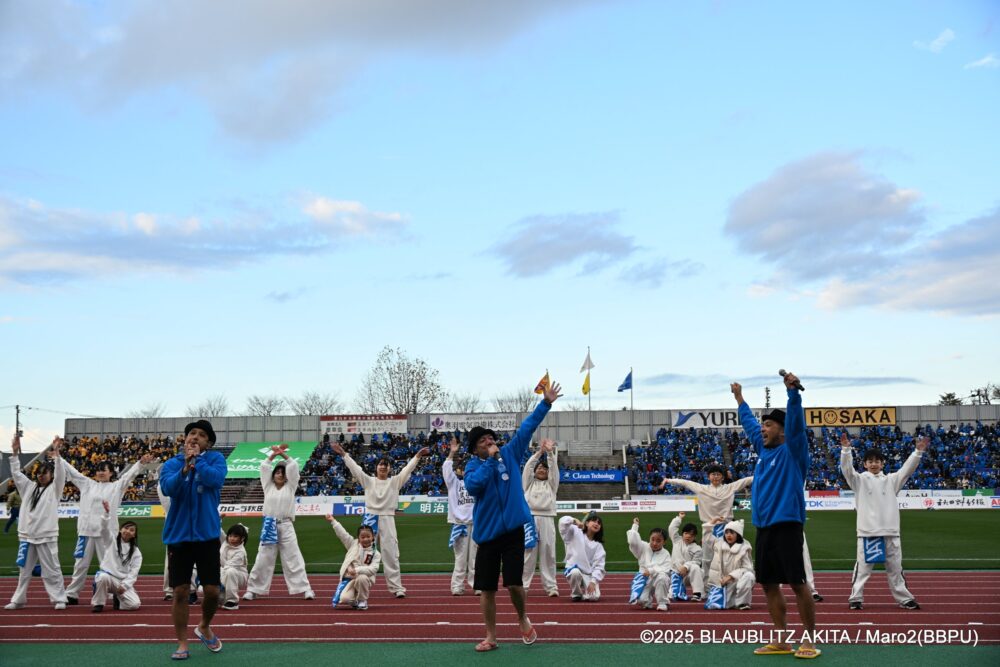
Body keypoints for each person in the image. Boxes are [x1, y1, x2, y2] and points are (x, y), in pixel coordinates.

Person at [464, 380, 561, 652]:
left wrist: (546, 403)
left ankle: (522, 618)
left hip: (514, 532)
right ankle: (491, 636)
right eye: (483, 440)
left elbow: (527, 428)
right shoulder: (473, 467)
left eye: (491, 437)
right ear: (475, 449)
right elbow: (474, 487)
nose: (490, 441)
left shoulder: (508, 453)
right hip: (487, 535)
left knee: (515, 583)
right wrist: (491, 463)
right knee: (487, 589)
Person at [732, 374, 819, 659]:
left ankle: (809, 640)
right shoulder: (762, 449)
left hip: (788, 525)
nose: (762, 428)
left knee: (797, 583)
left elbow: (796, 426)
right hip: (764, 528)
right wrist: (740, 400)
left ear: (782, 431)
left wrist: (793, 394)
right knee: (769, 584)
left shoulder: (792, 450)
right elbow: (748, 426)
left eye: (768, 424)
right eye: (763, 424)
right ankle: (782, 640)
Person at [159, 420, 228, 660]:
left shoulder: (216, 460)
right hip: (178, 536)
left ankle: (204, 625)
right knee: (180, 591)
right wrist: (184, 470)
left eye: (200, 435)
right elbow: (168, 489)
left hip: (207, 534)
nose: (194, 438)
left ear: (208, 442)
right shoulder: (172, 464)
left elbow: (215, 481)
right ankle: (181, 642)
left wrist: (197, 462)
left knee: (210, 591)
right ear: (184, 438)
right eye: (191, 434)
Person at [840, 431, 928, 610]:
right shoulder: (859, 481)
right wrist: (846, 451)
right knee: (863, 570)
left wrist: (917, 453)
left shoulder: (891, 480)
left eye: (877, 461)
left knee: (895, 570)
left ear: (882, 464)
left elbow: (906, 471)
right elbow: (847, 470)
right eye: (870, 461)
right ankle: (856, 598)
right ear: (864, 464)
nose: (874, 464)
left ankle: (904, 598)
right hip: (868, 533)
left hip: (891, 532)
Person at [333, 441, 429, 598]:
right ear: (376, 467)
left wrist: (417, 456)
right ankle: (358, 585)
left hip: (388, 519)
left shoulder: (394, 482)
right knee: (362, 554)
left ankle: (396, 588)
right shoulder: (369, 481)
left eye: (386, 465)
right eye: (380, 465)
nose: (383, 467)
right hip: (370, 519)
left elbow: (407, 470)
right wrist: (344, 454)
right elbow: (355, 469)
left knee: (391, 554)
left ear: (390, 468)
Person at [61, 452, 155, 605]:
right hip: (86, 531)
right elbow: (73, 472)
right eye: (98, 469)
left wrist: (140, 464)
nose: (100, 472)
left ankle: (113, 593)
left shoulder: (116, 487)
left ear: (111, 473)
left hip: (107, 534)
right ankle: (72, 593)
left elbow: (129, 476)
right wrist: (60, 457)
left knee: (110, 565)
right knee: (80, 564)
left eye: (104, 469)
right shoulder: (87, 484)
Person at [4, 435, 69, 610]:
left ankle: (59, 598)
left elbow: (61, 473)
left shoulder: (55, 489)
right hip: (27, 535)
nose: (41, 475)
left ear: (51, 474)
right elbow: (16, 474)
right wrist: (15, 453)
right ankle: (18, 599)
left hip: (47, 536)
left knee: (52, 569)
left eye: (45, 473)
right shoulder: (28, 487)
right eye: (39, 473)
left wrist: (56, 455)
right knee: (24, 571)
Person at [244, 444, 315, 601]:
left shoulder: (291, 487)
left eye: (282, 472)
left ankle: (305, 588)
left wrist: (282, 455)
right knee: (263, 557)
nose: (280, 474)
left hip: (286, 524)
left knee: (293, 557)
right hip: (269, 524)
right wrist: (273, 456)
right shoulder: (267, 486)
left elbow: (294, 466)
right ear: (273, 474)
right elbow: (264, 467)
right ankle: (253, 589)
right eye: (277, 472)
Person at [659, 464, 752, 575]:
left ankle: (727, 579)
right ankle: (707, 585)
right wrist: (668, 480)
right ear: (708, 477)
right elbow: (685, 482)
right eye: (713, 474)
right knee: (707, 558)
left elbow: (746, 480)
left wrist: (764, 475)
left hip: (726, 528)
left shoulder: (730, 487)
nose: (716, 476)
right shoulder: (702, 488)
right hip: (708, 528)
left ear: (722, 477)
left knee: (726, 556)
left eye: (718, 474)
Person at [522, 438, 560, 597]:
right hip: (529, 520)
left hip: (547, 519)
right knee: (527, 554)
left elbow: (555, 470)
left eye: (545, 468)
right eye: (539, 468)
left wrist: (550, 453)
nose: (542, 470)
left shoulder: (552, 485)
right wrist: (539, 453)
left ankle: (551, 587)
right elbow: (527, 467)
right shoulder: (528, 483)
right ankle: (522, 586)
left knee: (548, 554)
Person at [91, 500, 143, 612]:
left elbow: (134, 573)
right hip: (108, 577)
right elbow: (104, 529)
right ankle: (98, 604)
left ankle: (118, 600)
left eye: (132, 530)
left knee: (134, 605)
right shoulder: (111, 540)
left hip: (121, 581)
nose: (128, 531)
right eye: (126, 528)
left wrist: (125, 585)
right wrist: (106, 513)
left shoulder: (136, 552)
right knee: (102, 577)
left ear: (134, 535)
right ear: (120, 530)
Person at [443, 436, 476, 596]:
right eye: (463, 468)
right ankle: (457, 586)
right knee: (461, 558)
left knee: (476, 558)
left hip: (477, 524)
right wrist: (452, 453)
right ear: (459, 471)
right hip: (460, 524)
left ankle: (477, 585)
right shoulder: (454, 484)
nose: (465, 471)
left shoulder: (478, 484)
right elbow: (446, 470)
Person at [325, 515, 382, 610]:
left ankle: (362, 600)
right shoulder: (352, 544)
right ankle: (355, 600)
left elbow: (373, 569)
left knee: (362, 578)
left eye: (368, 536)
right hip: (349, 578)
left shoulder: (375, 553)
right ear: (359, 538)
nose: (365, 539)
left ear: (373, 537)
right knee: (344, 599)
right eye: (362, 537)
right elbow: (343, 534)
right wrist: (333, 521)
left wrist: (356, 570)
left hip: (364, 579)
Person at [705, 519, 755, 610]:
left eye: (732, 533)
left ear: (738, 534)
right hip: (720, 584)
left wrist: (731, 576)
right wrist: (711, 523)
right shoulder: (718, 543)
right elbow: (707, 538)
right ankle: (729, 600)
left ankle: (742, 603)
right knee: (715, 606)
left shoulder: (744, 548)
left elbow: (747, 568)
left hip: (735, 582)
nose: (729, 535)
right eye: (726, 532)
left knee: (749, 576)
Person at [559, 512, 607, 602]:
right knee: (575, 572)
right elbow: (562, 523)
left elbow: (599, 566)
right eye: (594, 521)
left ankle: (585, 593)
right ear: (587, 523)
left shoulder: (598, 546)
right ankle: (576, 594)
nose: (596, 524)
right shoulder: (575, 532)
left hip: (588, 574)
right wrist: (574, 520)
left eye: (599, 523)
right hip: (574, 569)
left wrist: (593, 581)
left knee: (594, 597)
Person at [626, 517, 671, 610]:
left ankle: (663, 602)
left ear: (664, 542)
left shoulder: (666, 553)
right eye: (652, 539)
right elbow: (632, 542)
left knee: (663, 577)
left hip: (657, 577)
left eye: (658, 541)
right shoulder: (643, 547)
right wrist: (635, 526)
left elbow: (666, 569)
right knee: (641, 600)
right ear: (649, 538)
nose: (654, 543)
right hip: (644, 578)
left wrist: (651, 570)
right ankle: (647, 601)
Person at [667, 512, 704, 602]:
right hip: (675, 574)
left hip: (688, 576)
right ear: (682, 533)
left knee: (696, 568)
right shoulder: (677, 540)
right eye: (686, 533)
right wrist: (679, 518)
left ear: (694, 536)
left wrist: (686, 566)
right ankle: (679, 589)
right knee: (672, 596)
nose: (688, 536)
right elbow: (672, 528)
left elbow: (696, 562)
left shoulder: (697, 548)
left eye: (691, 535)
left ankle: (697, 594)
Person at [220, 524, 249, 610]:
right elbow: (218, 531)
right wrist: (217, 520)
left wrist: (219, 582)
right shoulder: (225, 542)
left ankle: (233, 601)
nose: (232, 538)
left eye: (235, 536)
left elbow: (228, 566)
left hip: (239, 575)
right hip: (224, 572)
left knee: (230, 571)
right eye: (230, 536)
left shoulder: (240, 553)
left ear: (242, 538)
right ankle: (221, 596)